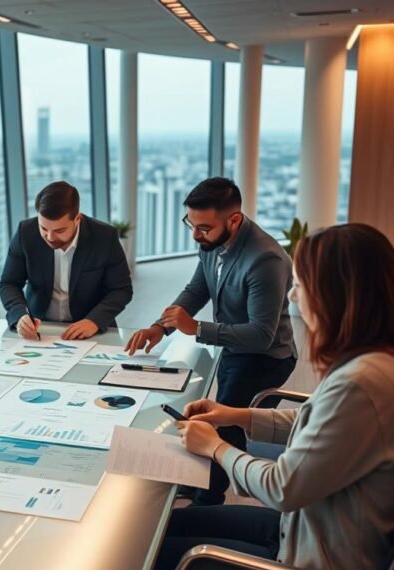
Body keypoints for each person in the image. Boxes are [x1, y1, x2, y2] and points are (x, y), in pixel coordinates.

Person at [155, 224, 394, 570]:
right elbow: (321, 422)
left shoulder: (364, 382)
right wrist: (238, 415)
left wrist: (216, 448)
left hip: (312, 564)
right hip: (313, 527)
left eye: (300, 285)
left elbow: (282, 487)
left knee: (151, 557)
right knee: (166, 526)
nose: (291, 296)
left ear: (336, 296)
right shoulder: (391, 359)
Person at [125, 177, 297, 505]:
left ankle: (208, 502)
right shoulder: (212, 241)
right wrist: (160, 327)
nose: (195, 234)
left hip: (266, 358)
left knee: (223, 428)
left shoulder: (265, 259)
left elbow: (262, 335)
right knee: (215, 418)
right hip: (233, 348)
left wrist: (197, 329)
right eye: (191, 224)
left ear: (234, 220)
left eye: (203, 228)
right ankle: (200, 480)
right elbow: (197, 289)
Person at [0, 181, 133, 340]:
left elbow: (121, 289)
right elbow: (9, 283)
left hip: (91, 330)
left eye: (59, 231)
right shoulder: (25, 233)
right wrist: (20, 314)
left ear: (77, 219)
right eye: (43, 228)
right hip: (40, 329)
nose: (49, 237)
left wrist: (94, 321)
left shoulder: (105, 237)